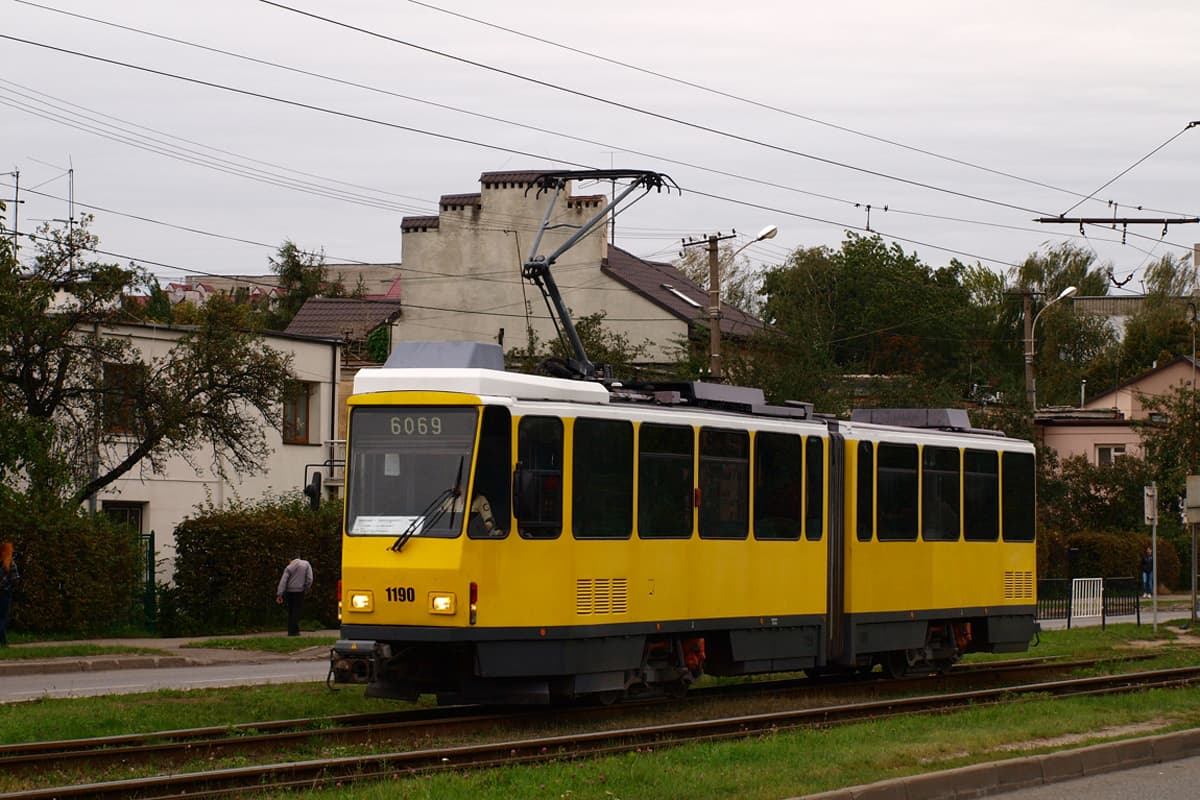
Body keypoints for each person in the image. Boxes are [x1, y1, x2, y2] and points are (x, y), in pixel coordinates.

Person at [276, 555, 313, 636]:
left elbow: (283, 580)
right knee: (297, 610)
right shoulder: (306, 564)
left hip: (289, 591)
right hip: (300, 591)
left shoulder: (289, 567)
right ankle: (294, 630)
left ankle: (291, 630)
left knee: (291, 610)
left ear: (290, 559)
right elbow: (310, 578)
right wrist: (306, 587)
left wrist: (280, 594)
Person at [0, 542, 18, 647]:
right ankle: (3, 641)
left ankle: (3, 641)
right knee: (3, 617)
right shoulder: (10, 563)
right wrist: (9, 587)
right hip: (5, 593)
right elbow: (15, 579)